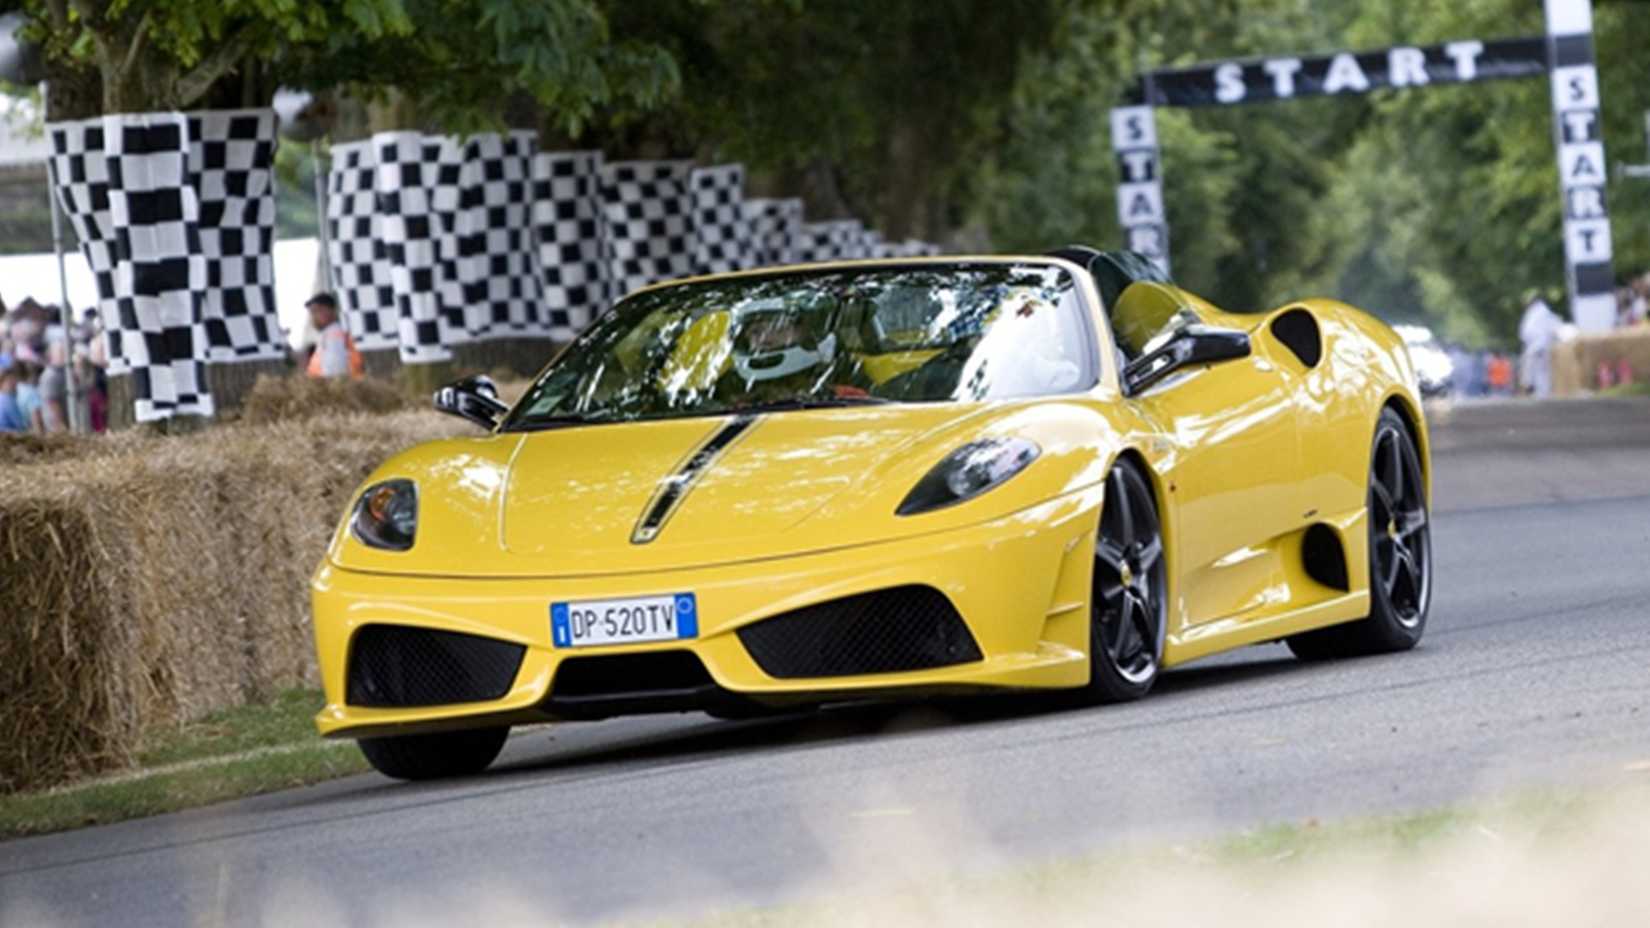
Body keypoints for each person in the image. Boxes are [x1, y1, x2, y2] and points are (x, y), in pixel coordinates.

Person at [304, 293, 364, 379]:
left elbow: (334, 368)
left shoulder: (334, 333)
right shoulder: (330, 333)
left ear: (327, 311)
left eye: (315, 311)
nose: (313, 317)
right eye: (312, 313)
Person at [1517, 289, 1562, 398]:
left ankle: (1532, 387)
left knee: (1536, 369)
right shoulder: (1544, 313)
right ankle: (1541, 391)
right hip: (1544, 345)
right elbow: (1556, 327)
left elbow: (1525, 332)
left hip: (1536, 345)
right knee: (1542, 370)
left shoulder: (1534, 313)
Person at [0, 364, 26, 432]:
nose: (14, 383)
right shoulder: (6, 399)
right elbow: (19, 425)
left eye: (15, 380)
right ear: (2, 383)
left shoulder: (7, 397)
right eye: (10, 380)